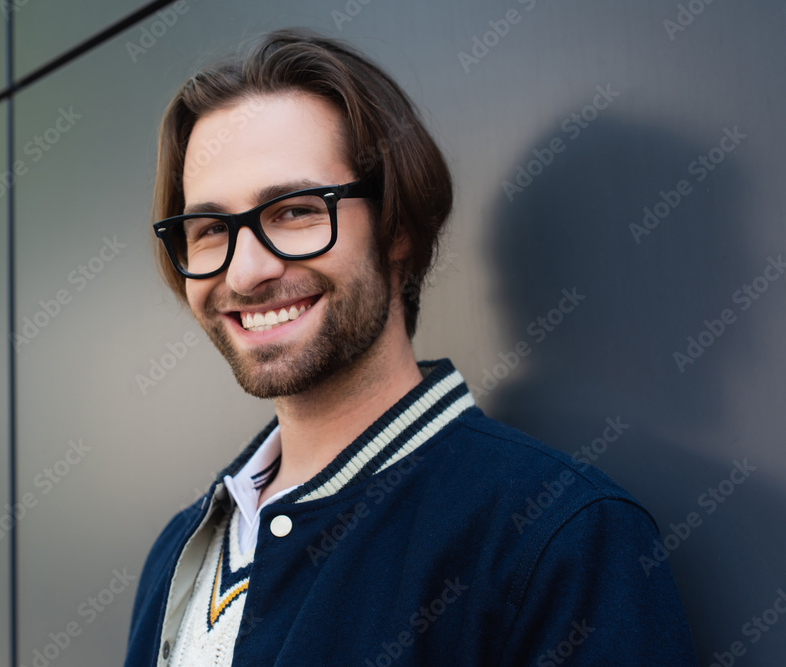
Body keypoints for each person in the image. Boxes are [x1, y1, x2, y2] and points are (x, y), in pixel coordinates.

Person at [125, 28, 697, 666]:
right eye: (209, 229)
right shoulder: (179, 553)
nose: (244, 272)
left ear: (396, 226)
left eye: (294, 211)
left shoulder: (559, 535)